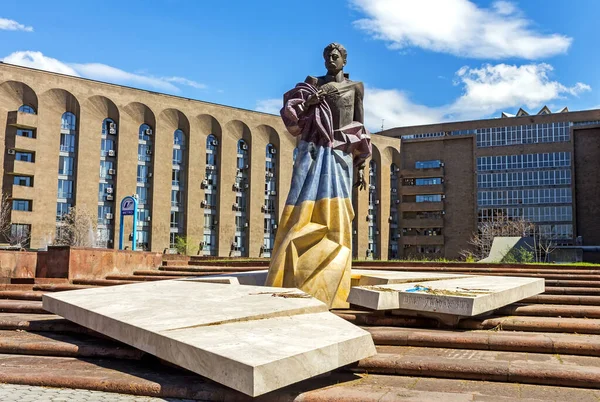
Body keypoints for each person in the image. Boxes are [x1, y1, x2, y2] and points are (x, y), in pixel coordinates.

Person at [265, 43, 371, 308]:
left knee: (340, 213)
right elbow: (294, 115)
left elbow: (359, 127)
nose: (331, 59)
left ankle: (332, 266)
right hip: (312, 152)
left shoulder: (355, 87)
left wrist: (360, 167)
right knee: (300, 208)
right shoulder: (311, 83)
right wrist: (309, 103)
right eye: (328, 55)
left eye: (336, 56)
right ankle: (296, 258)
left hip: (341, 155)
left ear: (345, 60)